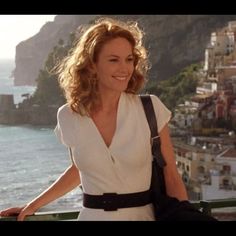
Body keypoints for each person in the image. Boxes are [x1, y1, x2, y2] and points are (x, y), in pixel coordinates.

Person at [0, 17, 215, 221]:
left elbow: (171, 177)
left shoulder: (150, 108)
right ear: (92, 65)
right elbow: (79, 169)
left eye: (129, 59)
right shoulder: (68, 116)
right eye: (114, 60)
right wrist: (34, 205)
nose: (125, 68)